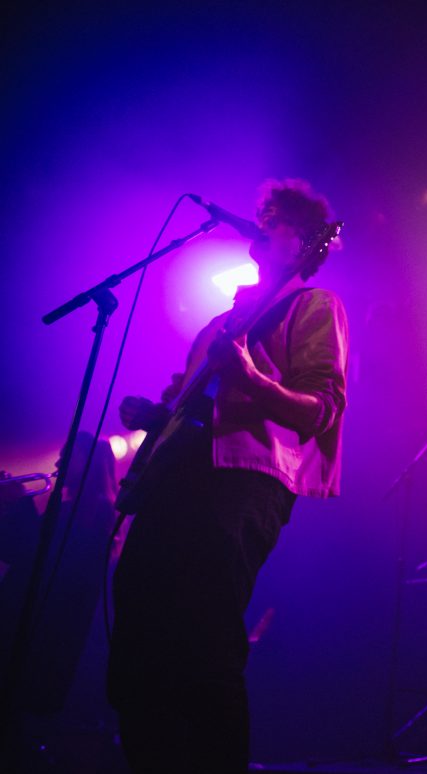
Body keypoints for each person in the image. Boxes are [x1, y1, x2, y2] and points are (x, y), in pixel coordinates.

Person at [108, 179, 348, 773]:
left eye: (276, 219)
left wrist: (251, 377)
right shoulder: (222, 321)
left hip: (245, 480)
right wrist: (155, 415)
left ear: (305, 240)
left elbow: (322, 409)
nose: (260, 225)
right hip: (176, 477)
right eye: (262, 217)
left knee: (205, 637)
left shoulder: (314, 306)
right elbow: (193, 408)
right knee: (137, 629)